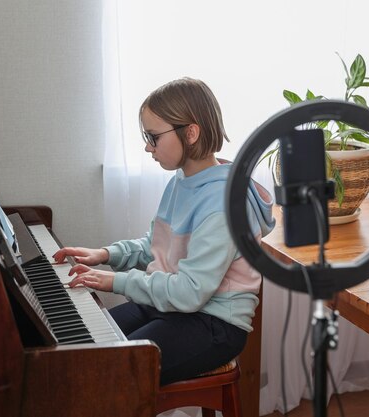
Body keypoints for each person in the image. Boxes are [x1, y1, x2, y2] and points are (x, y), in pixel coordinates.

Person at [53, 77, 274, 385]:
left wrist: (116, 282)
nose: (147, 146)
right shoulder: (181, 181)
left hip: (213, 324)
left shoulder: (223, 205)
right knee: (81, 351)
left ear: (191, 132)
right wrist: (105, 254)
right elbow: (156, 245)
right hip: (170, 306)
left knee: (110, 374)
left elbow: (190, 292)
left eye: (153, 136)